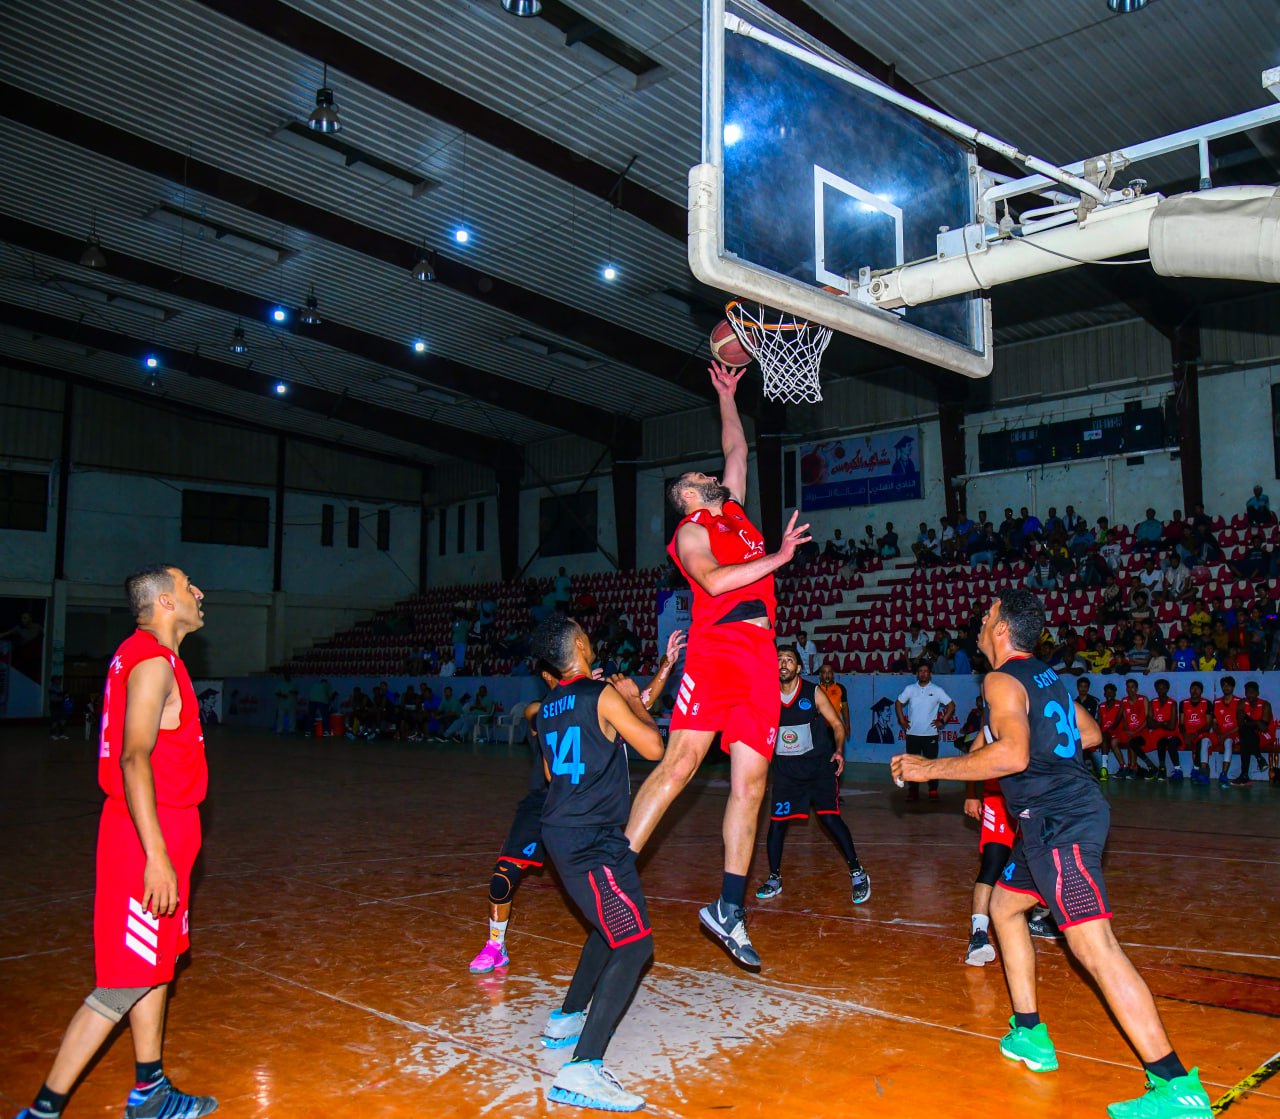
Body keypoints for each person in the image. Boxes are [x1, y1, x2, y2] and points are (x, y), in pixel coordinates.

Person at [891, 589, 1212, 1119]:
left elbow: (1013, 754)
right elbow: (1088, 732)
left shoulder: (1000, 679)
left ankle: (1175, 1084)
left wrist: (931, 769)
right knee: (1004, 906)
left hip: (1060, 823)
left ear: (1001, 630)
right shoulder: (1044, 674)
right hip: (1055, 819)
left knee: (1095, 948)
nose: (980, 618)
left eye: (987, 614)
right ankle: (1029, 1033)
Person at [624, 361, 807, 972]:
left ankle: (729, 907)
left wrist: (726, 395)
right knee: (680, 763)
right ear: (689, 495)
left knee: (753, 784)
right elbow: (711, 579)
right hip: (717, 649)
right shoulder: (690, 530)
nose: (713, 473)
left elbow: (737, 448)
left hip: (760, 656)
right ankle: (617, 870)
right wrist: (779, 558)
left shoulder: (734, 514)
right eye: (702, 477)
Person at [15, 566, 216, 1119]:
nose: (197, 593)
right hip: (146, 834)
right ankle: (43, 1110)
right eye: (187, 586)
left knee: (156, 966)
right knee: (121, 984)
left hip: (163, 828)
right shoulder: (152, 662)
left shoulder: (144, 654)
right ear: (166, 603)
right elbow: (134, 757)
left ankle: (150, 1091)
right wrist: (156, 856)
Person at [468, 632, 683, 975]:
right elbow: (537, 713)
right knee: (503, 875)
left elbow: (637, 703)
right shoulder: (542, 709)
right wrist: (582, 696)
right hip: (544, 805)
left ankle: (613, 952)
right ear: (547, 675)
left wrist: (665, 667)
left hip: (579, 809)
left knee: (601, 893)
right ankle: (495, 945)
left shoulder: (589, 697)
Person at [530, 615, 664, 1113]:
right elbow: (654, 748)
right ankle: (583, 1069)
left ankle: (567, 1018)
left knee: (607, 926)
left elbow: (551, 773)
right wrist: (631, 700)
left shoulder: (546, 709)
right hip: (592, 843)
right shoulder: (598, 694)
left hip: (563, 831)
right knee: (634, 943)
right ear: (582, 645)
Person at [755, 646, 870, 905]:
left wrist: (839, 750)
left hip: (819, 768)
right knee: (777, 824)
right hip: (786, 772)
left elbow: (838, 725)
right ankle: (774, 877)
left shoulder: (812, 691)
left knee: (829, 820)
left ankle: (857, 872)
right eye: (779, 660)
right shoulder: (765, 694)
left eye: (789, 660)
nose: (783, 664)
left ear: (798, 668)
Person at [893, 663, 954, 802]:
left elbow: (951, 705)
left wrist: (942, 721)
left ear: (930, 674)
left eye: (926, 671)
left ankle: (933, 790)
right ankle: (913, 791)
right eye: (920, 671)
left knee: (931, 764)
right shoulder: (910, 689)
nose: (923, 674)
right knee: (912, 764)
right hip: (912, 734)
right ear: (917, 674)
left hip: (930, 735)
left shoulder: (937, 690)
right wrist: (902, 720)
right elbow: (898, 703)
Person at [1147, 679, 1183, 781]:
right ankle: (1162, 769)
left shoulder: (1172, 703)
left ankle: (1178, 770)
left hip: (1173, 733)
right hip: (1159, 734)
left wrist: (1156, 723)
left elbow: (1172, 726)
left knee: (1172, 744)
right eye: (1158, 688)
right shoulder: (1152, 702)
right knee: (1160, 743)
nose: (1160, 690)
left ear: (1167, 689)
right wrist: (1163, 723)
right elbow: (1149, 723)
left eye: (1163, 688)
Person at [1238, 681, 1274, 785]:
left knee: (1245, 735)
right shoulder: (1242, 703)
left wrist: (1250, 722)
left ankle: (1244, 774)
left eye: (1252, 692)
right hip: (1251, 735)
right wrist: (1256, 722)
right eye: (1247, 692)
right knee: (1245, 735)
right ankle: (1259, 759)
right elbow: (1240, 723)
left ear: (1257, 693)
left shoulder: (1265, 704)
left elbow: (1263, 727)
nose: (1250, 695)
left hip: (1266, 735)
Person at [1180, 682, 1215, 786]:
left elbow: (1209, 724)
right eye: (1192, 688)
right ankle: (1180, 770)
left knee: (1201, 742)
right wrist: (1185, 734)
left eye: (1197, 689)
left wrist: (1196, 733)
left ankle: (1196, 770)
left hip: (1201, 733)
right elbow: (1181, 723)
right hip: (1188, 733)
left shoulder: (1207, 703)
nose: (1194, 691)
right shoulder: (1183, 703)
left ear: (1201, 691)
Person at [1212, 677, 1242, 788]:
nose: (1226, 687)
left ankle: (1223, 774)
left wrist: (1224, 735)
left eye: (1228, 685)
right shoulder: (1216, 702)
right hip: (1220, 733)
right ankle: (1202, 773)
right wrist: (1219, 733)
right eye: (1224, 685)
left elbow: (1241, 725)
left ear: (1233, 687)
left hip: (1234, 733)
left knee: (1228, 742)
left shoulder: (1239, 702)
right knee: (1204, 741)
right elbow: (1214, 723)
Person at [817, 661, 850, 739]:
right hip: (819, 727)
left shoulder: (840, 688)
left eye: (829, 672)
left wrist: (847, 725)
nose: (827, 675)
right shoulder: (815, 689)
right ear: (820, 675)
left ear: (833, 674)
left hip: (835, 726)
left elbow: (845, 708)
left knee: (835, 749)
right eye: (824, 672)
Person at [48, 674, 69, 740]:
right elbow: (54, 696)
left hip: (60, 704)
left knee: (62, 720)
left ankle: (61, 734)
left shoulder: (59, 687)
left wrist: (64, 696)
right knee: (54, 720)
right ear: (54, 680)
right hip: (54, 704)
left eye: (59, 679)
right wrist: (62, 695)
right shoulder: (51, 687)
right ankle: (52, 734)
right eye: (57, 679)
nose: (59, 681)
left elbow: (60, 695)